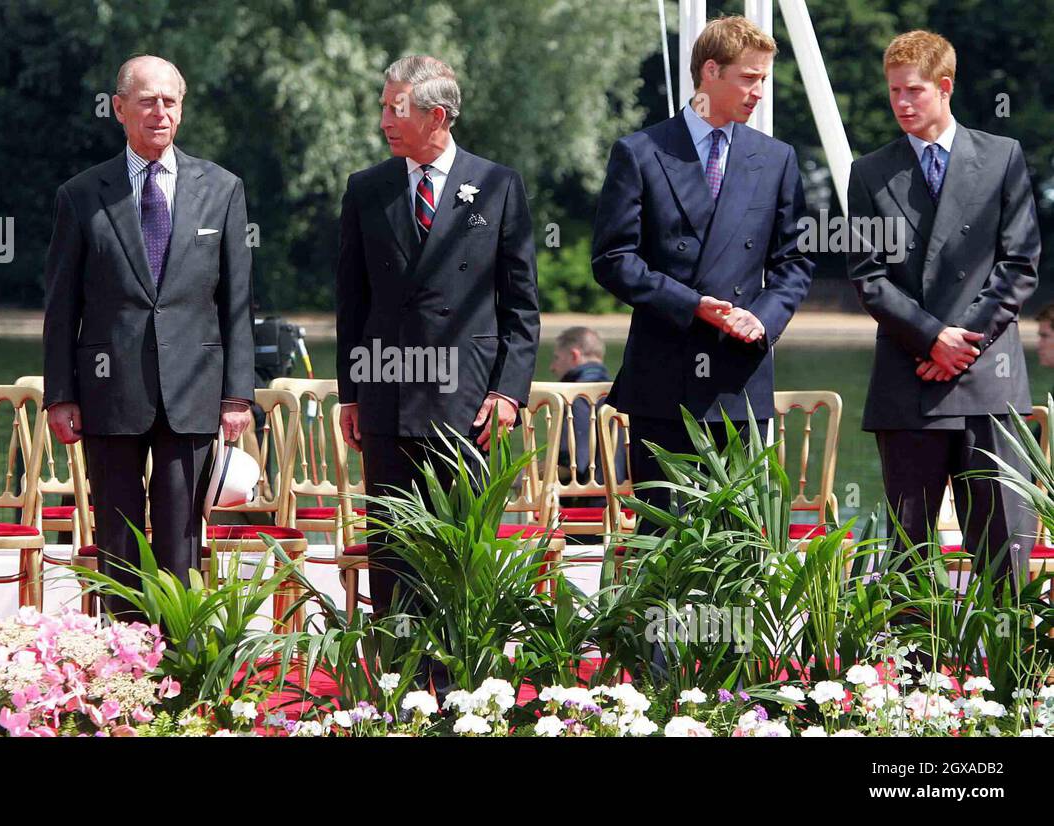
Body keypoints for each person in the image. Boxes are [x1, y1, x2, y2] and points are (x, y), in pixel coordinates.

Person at [42, 56, 254, 613]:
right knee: (116, 532)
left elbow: (236, 301)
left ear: (181, 109)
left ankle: (177, 654)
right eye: (146, 100)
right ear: (119, 108)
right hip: (109, 390)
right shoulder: (82, 194)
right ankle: (124, 660)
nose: (160, 112)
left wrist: (238, 394)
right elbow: (62, 306)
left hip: (194, 389)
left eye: (170, 101)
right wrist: (60, 394)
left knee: (182, 535)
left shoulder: (224, 189)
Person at [336, 55, 541, 617]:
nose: (384, 120)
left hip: (469, 404)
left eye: (396, 108)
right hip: (387, 396)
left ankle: (462, 694)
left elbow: (521, 304)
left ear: (439, 116)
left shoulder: (499, 185)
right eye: (383, 106)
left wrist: (508, 392)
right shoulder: (366, 189)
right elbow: (351, 303)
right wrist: (350, 394)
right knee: (394, 551)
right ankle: (396, 691)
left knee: (459, 553)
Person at [591, 16, 813, 530]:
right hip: (663, 377)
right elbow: (612, 259)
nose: (760, 91)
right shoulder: (640, 151)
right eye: (749, 77)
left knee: (739, 547)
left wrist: (762, 319)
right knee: (663, 540)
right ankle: (658, 618)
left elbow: (795, 261)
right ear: (710, 71)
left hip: (740, 376)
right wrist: (691, 305)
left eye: (764, 79)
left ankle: (735, 619)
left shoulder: (776, 159)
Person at [848, 30, 1039, 586]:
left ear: (945, 87)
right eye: (893, 93)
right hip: (909, 382)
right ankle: (906, 674)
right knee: (907, 552)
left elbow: (1019, 262)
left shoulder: (1002, 157)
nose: (902, 104)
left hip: (988, 382)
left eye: (913, 91)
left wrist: (962, 342)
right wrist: (932, 339)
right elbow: (868, 277)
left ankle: (1009, 674)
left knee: (1004, 546)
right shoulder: (869, 172)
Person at [548, 326, 616, 511]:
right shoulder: (619, 396)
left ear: (574, 355)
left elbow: (572, 464)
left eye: (556, 358)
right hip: (628, 505)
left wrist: (525, 473)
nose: (552, 367)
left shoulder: (576, 397)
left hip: (590, 508)